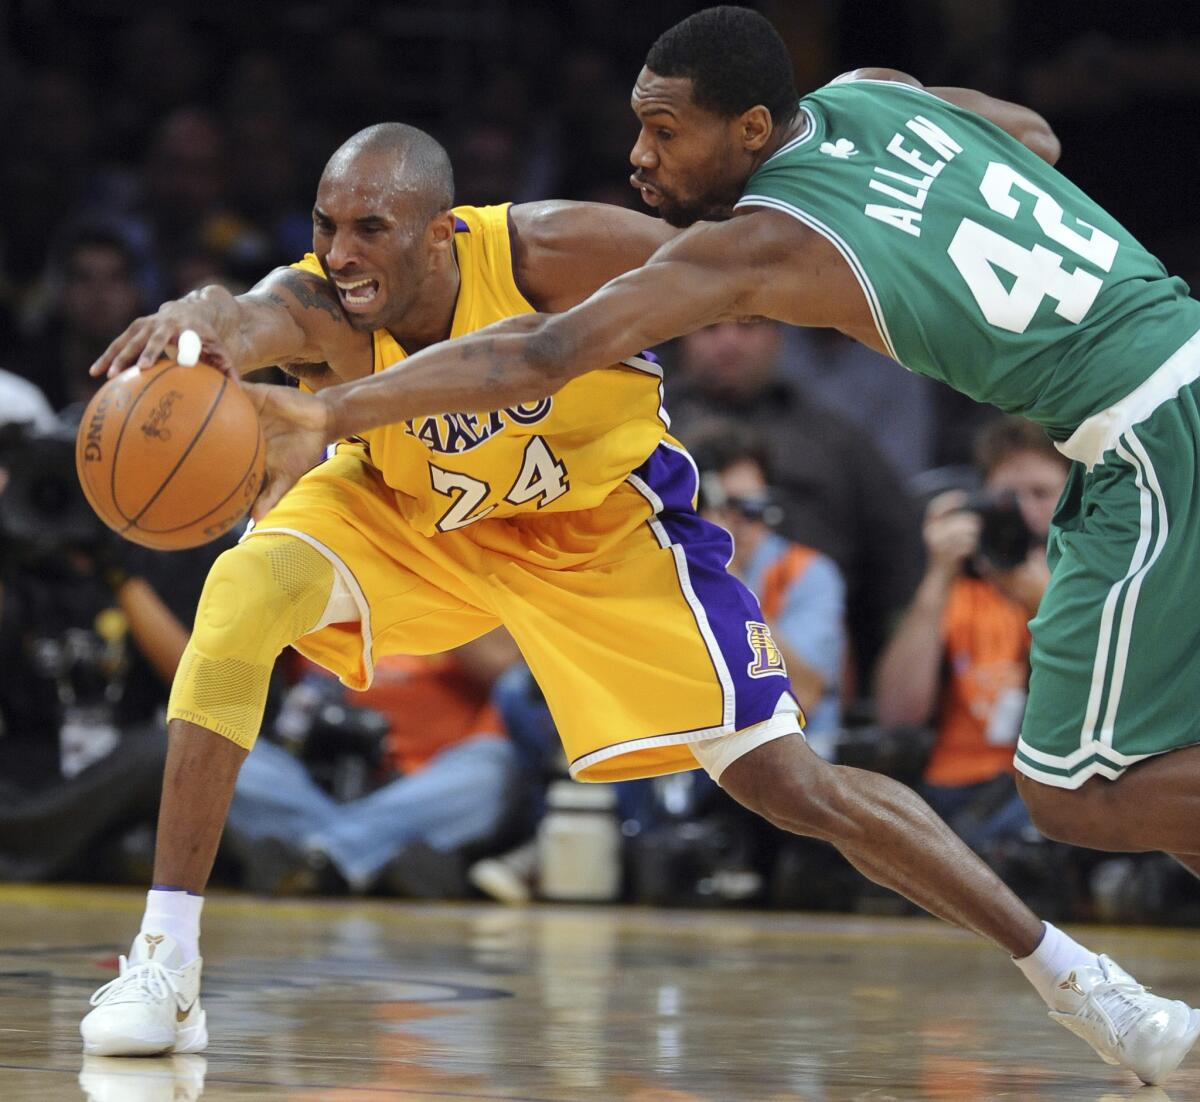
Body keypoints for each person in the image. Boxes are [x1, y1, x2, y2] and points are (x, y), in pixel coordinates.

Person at [238, 7, 1200, 1086]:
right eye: (637, 127)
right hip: (1171, 374)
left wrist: (329, 416)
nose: (639, 156)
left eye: (665, 130)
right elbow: (1033, 136)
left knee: (1076, 790)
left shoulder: (759, 244)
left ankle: (1110, 1000)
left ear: (750, 129)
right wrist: (932, 177)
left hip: (1149, 433)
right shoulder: (874, 94)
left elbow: (545, 350)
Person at [81, 121, 808, 1060]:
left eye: (369, 228)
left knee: (769, 772)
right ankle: (164, 957)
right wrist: (206, 314)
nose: (340, 253)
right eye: (325, 224)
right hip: (407, 525)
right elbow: (256, 309)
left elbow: (734, 265)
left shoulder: (548, 251)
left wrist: (888, 301)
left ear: (441, 230)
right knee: (241, 593)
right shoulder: (328, 303)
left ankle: (1044, 956)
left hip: (585, 537)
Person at [670, 319, 921, 679]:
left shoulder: (834, 439)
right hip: (670, 616)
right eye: (709, 327)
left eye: (747, 326)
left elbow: (898, 559)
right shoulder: (649, 434)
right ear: (682, 337)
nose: (728, 341)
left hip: (812, 637)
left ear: (778, 334)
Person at [874, 416, 1070, 851]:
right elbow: (897, 714)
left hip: (1053, 786)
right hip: (953, 790)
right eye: (1006, 497)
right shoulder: (955, 593)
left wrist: (1044, 603)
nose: (1021, 511)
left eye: (1040, 494)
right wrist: (937, 576)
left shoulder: (1091, 590)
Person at [227, 632, 522, 897]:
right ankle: (370, 859)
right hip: (312, 785)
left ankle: (314, 859)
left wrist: (430, 585)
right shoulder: (321, 582)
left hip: (424, 787)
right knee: (224, 749)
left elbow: (510, 671)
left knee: (493, 768)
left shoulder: (469, 589)